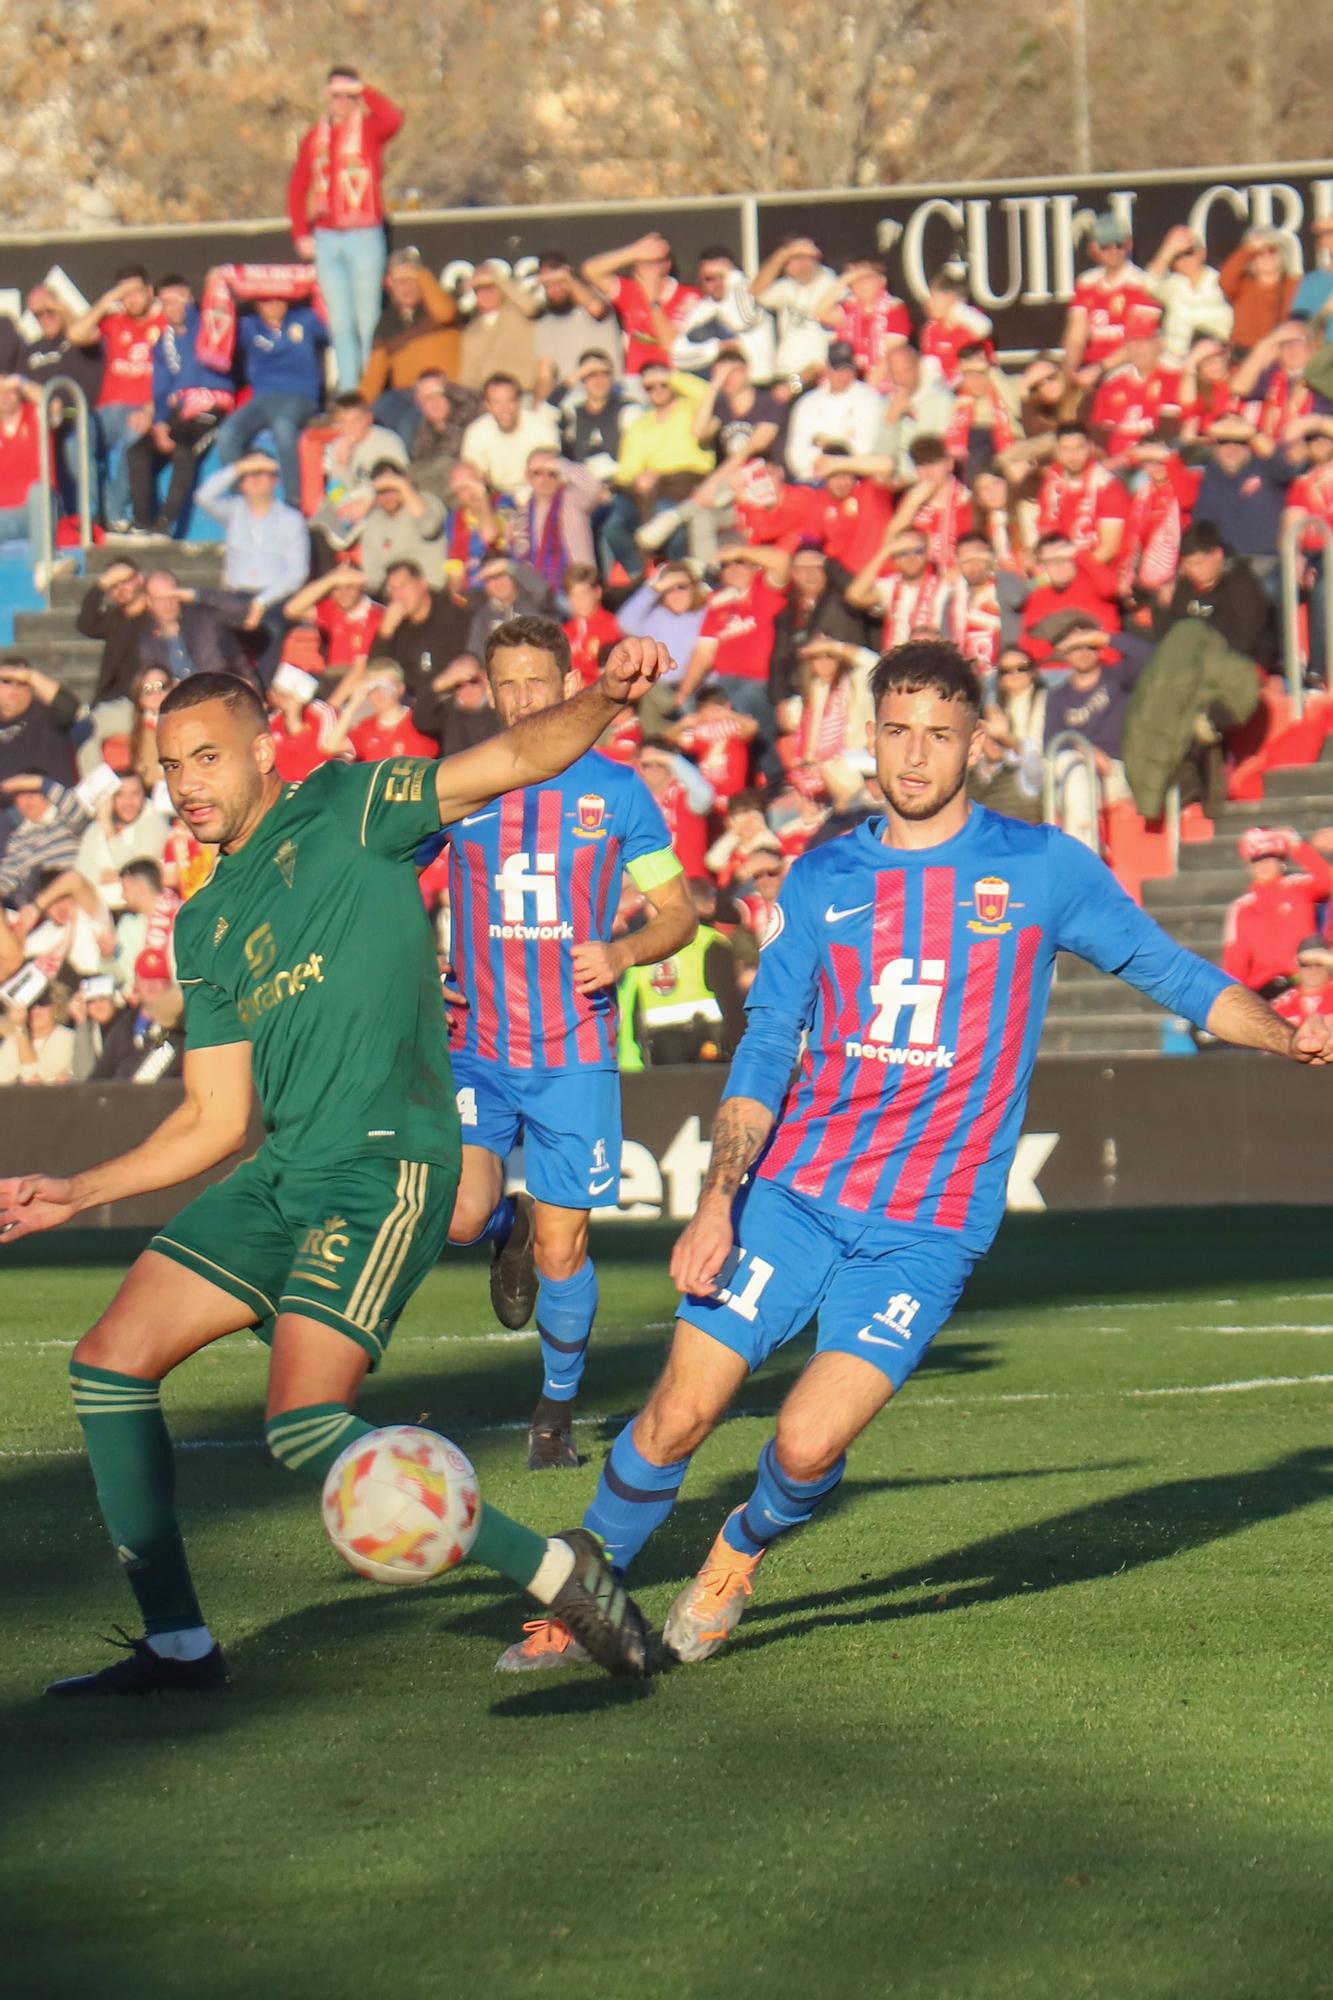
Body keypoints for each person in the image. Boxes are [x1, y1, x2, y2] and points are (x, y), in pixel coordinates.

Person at [492, 638, 1333, 1673]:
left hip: (924, 1230)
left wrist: (1283, 1029)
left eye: (939, 733)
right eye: (897, 730)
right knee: (677, 1409)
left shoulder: (1041, 868)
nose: (916, 753)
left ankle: (736, 1551)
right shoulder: (824, 874)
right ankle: (581, 1603)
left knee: (804, 1446)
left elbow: (1172, 973)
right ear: (870, 737)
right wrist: (718, 1201)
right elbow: (766, 1045)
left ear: (977, 743)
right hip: (792, 1196)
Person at [0, 645, 676, 1694]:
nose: (187, 785)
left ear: (266, 748)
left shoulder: (355, 805)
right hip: (280, 1176)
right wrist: (79, 1190)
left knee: (303, 1425)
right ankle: (179, 1642)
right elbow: (216, 1119)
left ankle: (558, 1569)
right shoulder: (209, 921)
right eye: (171, 765)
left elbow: (509, 757)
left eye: (208, 757)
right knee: (106, 1361)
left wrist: (604, 698)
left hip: (384, 1166)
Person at [437, 614, 696, 1468]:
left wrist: (620, 951)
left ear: (566, 683)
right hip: (475, 1043)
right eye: (505, 682)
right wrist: (412, 971)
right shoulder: (460, 786)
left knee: (564, 1249)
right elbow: (379, 877)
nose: (521, 698)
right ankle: (503, 1221)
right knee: (460, 1214)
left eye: (535, 682)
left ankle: (553, 1414)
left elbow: (678, 915)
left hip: (572, 1052)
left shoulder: (616, 792)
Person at [287, 67, 403, 390]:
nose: (340, 103)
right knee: (339, 322)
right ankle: (350, 388)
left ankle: (371, 386)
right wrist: (300, 232)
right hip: (327, 236)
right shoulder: (316, 136)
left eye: (346, 97)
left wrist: (363, 90)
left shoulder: (369, 130)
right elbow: (298, 185)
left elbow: (393, 118)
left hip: (364, 233)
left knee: (368, 321)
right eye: (335, 96)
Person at [126, 276, 236, 537]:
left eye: (177, 301)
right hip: (178, 413)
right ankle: (142, 524)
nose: (172, 308)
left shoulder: (210, 326)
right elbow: (161, 388)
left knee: (182, 448)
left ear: (190, 299)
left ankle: (165, 525)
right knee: (137, 451)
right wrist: (161, 423)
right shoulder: (164, 342)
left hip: (211, 408)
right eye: (165, 303)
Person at [195, 454, 311, 680]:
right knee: (208, 625)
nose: (255, 480)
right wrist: (238, 466)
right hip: (236, 594)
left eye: (262, 474)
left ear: (274, 481)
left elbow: (298, 572)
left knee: (272, 629)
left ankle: (261, 693)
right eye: (249, 475)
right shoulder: (233, 510)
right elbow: (203, 496)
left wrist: (261, 602)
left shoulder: (291, 519)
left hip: (274, 596)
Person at [67, 266, 165, 531]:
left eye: (136, 292)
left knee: (132, 444)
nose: (131, 299)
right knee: (74, 446)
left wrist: (151, 410)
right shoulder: (113, 323)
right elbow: (75, 334)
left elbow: (177, 377)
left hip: (146, 409)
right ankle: (114, 512)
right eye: (125, 294)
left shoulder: (165, 324)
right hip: (108, 412)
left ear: (150, 292)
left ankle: (112, 516)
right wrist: (108, 300)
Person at [215, 292, 328, 508]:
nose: (274, 304)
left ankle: (293, 502)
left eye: (279, 298)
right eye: (267, 299)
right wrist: (218, 287)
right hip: (263, 398)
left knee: (283, 426)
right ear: (257, 303)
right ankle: (242, 502)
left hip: (301, 396)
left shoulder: (305, 318)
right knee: (228, 433)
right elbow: (219, 332)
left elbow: (334, 330)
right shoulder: (248, 326)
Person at [358, 247, 462, 445]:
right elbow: (374, 375)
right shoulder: (387, 322)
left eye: (411, 281)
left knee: (408, 424)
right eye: (399, 282)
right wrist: (356, 409)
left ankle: (410, 473)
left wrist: (420, 274)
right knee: (375, 412)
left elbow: (445, 313)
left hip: (441, 389)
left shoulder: (437, 305)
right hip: (405, 393)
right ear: (390, 284)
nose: (406, 288)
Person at [1222, 827, 1333, 997]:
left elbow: (1326, 879)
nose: (1263, 865)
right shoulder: (1241, 908)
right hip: (1266, 990)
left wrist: (1295, 844)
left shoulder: (1298, 886)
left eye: (1270, 858)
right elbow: (1236, 962)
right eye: (1257, 860)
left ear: (1281, 862)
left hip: (1305, 981)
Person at [784, 342, 885, 480]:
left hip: (854, 480)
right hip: (813, 480)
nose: (843, 375)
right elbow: (796, 457)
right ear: (827, 369)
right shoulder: (808, 403)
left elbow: (865, 449)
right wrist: (842, 442)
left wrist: (825, 444)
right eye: (838, 369)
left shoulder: (869, 399)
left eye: (848, 369)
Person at [459, 373, 558, 505]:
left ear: (519, 401)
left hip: (537, 495)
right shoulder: (476, 431)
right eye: (497, 403)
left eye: (510, 401)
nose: (505, 409)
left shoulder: (542, 426)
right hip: (495, 498)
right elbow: (475, 476)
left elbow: (551, 472)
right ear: (487, 405)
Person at [0, 660, 79, 788]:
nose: (15, 689)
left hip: (48, 801)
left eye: (23, 683)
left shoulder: (46, 715)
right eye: (7, 681)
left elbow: (70, 708)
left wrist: (30, 676)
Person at [1272, 937, 1333, 1024]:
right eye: (1306, 963)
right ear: (1297, 964)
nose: (1313, 969)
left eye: (1320, 963)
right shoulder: (1282, 1005)